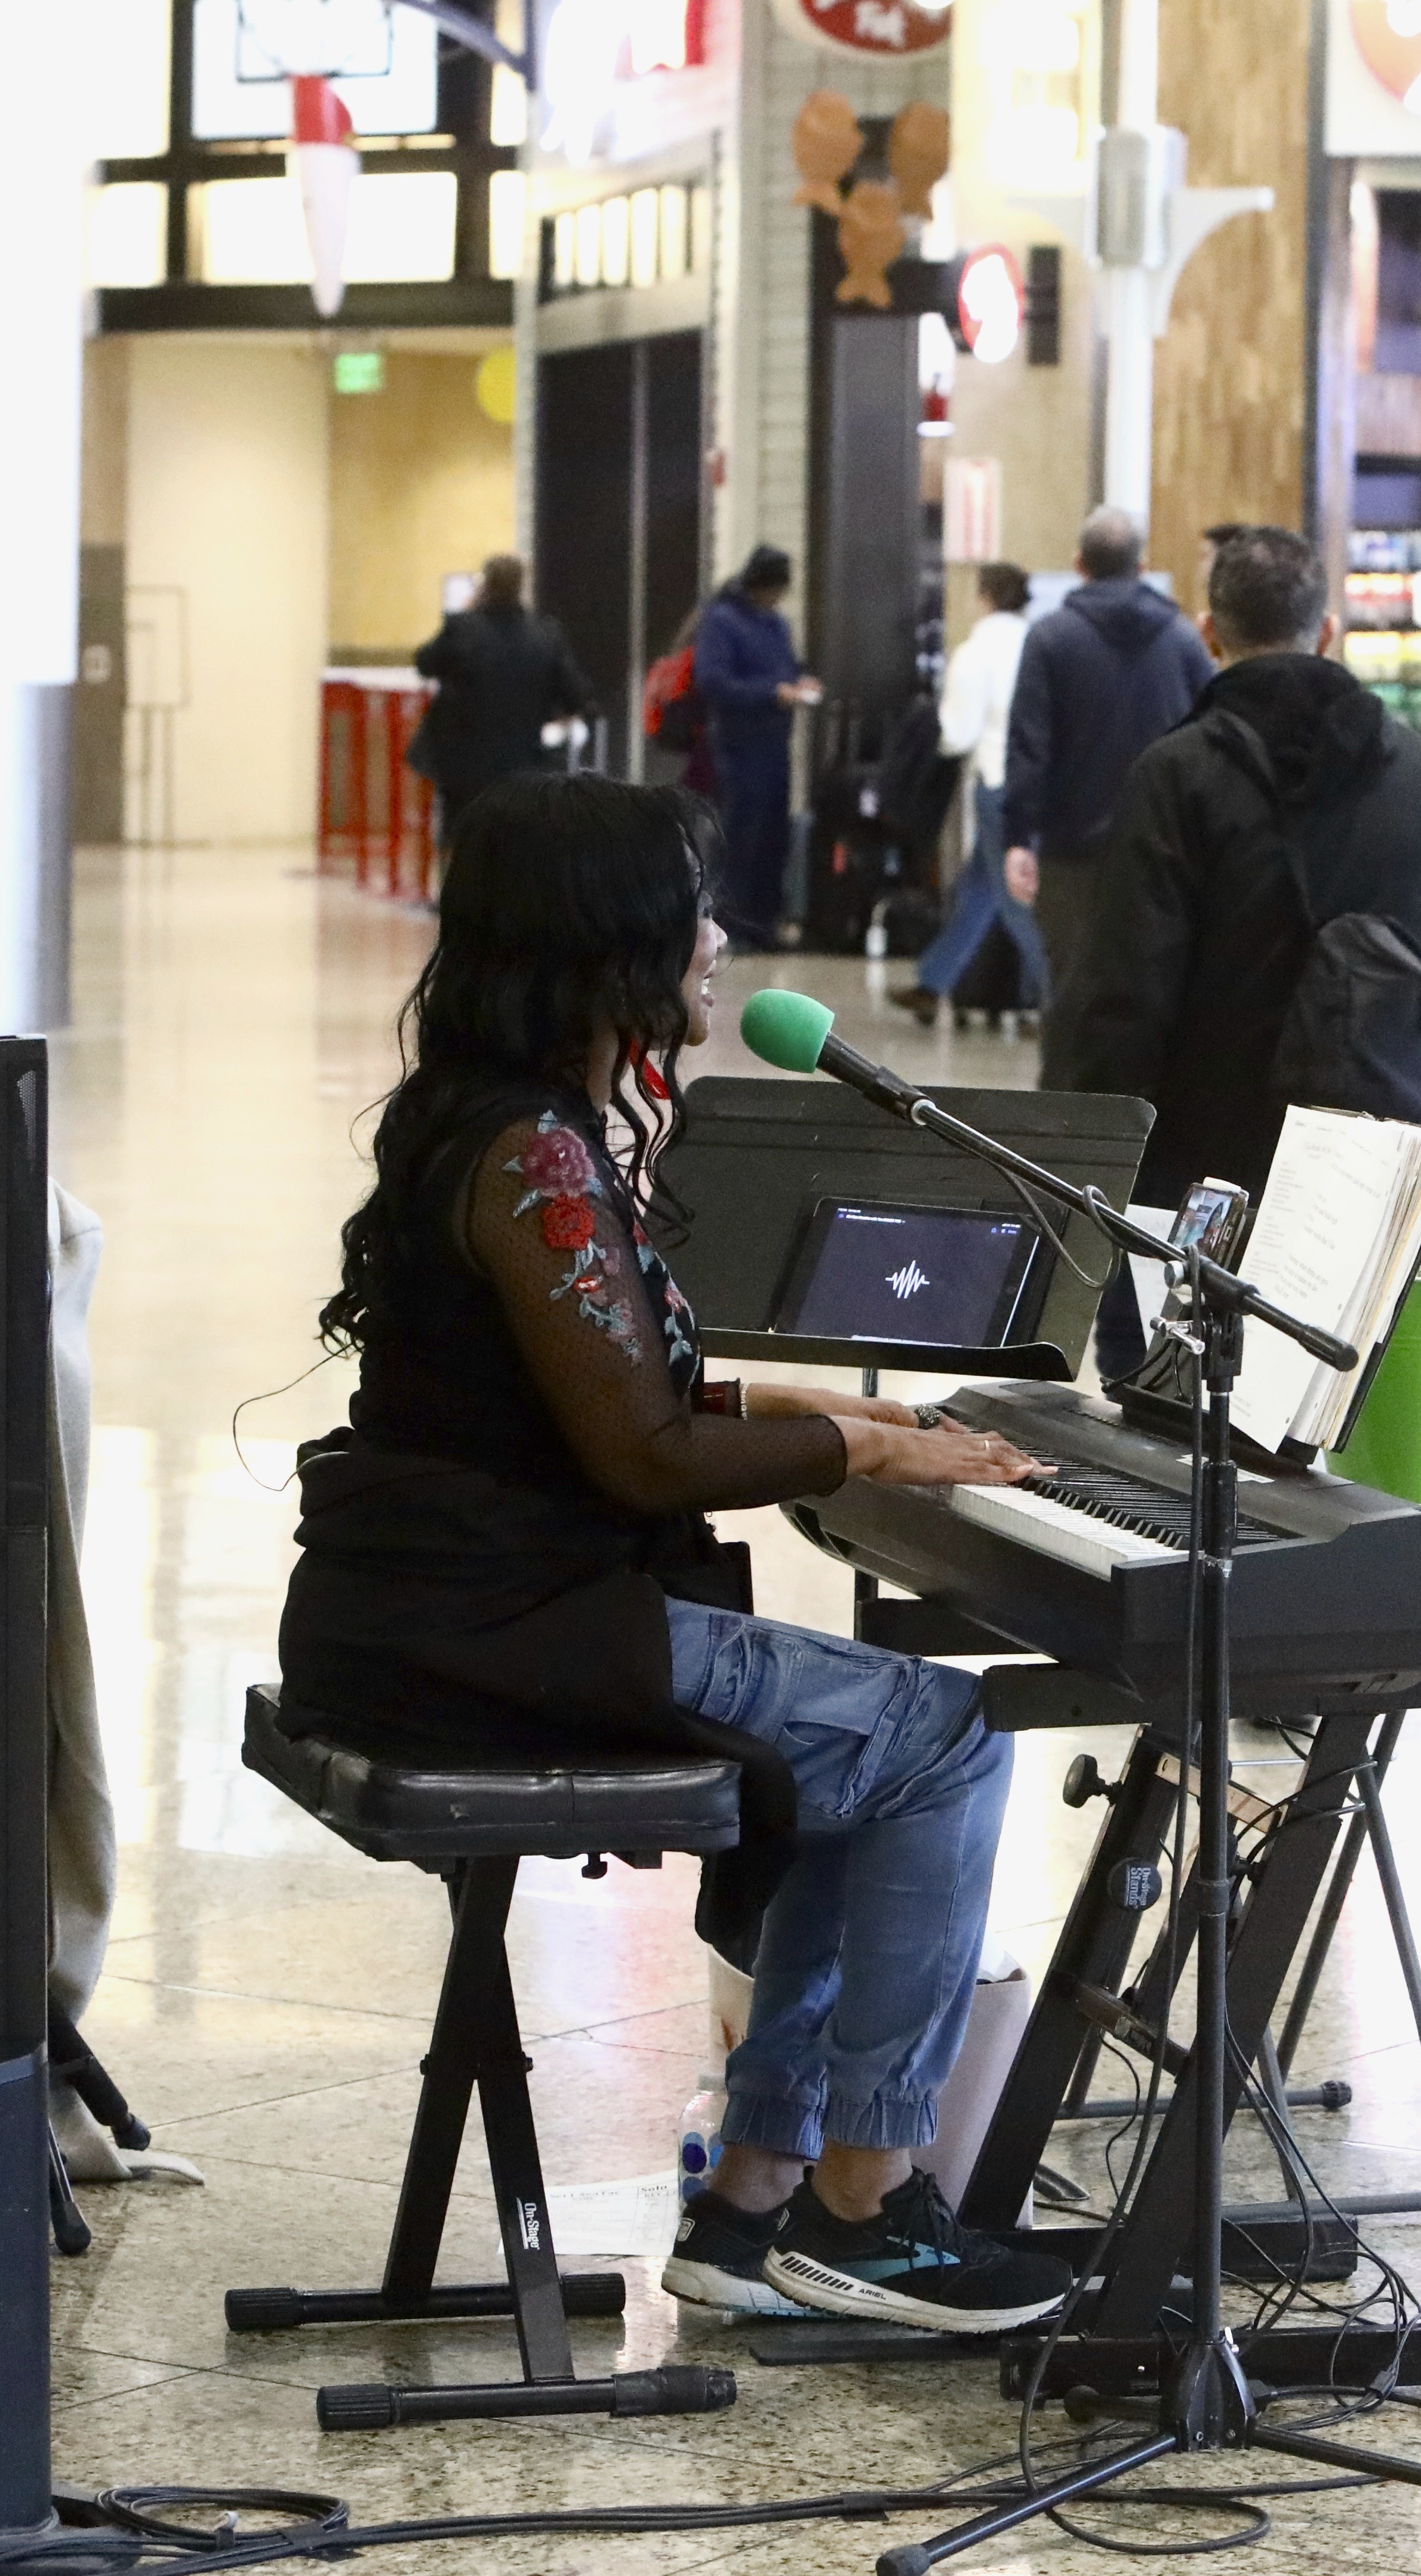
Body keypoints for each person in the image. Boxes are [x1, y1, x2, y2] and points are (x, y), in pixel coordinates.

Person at [276, 774, 1075, 2336]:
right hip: (493, 1635)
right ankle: (869, 2202)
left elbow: (603, 1389)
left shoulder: (507, 1127)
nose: (719, 938)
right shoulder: (539, 1161)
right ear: (607, 944)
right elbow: (638, 1452)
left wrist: (835, 1411)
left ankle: (759, 2197)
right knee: (951, 1740)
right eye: (690, 910)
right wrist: (870, 1446)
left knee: (871, 1751)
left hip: (440, 1615)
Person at [1065, 522, 1421, 1215]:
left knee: (1178, 1330)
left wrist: (1108, 1171)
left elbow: (1123, 996)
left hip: (1199, 1171)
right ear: (1327, 630)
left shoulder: (1175, 776)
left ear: (1208, 634)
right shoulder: (1418, 776)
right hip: (1367, 1163)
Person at [1004, 507, 1211, 1085]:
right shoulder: (1183, 641)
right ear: (1143, 566)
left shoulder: (1050, 638)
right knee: (1156, 989)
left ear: (1078, 566)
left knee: (1070, 991)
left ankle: (1064, 1125)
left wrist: (1020, 836)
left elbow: (1029, 747)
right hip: (1164, 853)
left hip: (1071, 853)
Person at [909, 562, 1042, 1016]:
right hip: (1036, 783)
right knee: (980, 888)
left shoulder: (976, 651)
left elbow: (959, 733)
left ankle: (1054, 998)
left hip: (995, 782)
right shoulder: (1038, 642)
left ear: (984, 596)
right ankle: (933, 982)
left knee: (1013, 900)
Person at [693, 547, 820, 945]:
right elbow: (713, 682)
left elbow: (785, 666)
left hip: (775, 745)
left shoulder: (775, 624)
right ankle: (728, 923)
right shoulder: (722, 622)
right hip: (738, 745)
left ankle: (764, 922)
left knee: (772, 835)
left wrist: (799, 683)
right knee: (739, 835)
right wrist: (770, 693)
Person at [413, 554, 594, 825]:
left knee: (463, 837)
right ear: (522, 586)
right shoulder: (545, 635)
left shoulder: (463, 629)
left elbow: (425, 663)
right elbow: (578, 696)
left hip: (464, 766)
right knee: (516, 837)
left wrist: (469, 610)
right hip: (524, 764)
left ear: (485, 585)